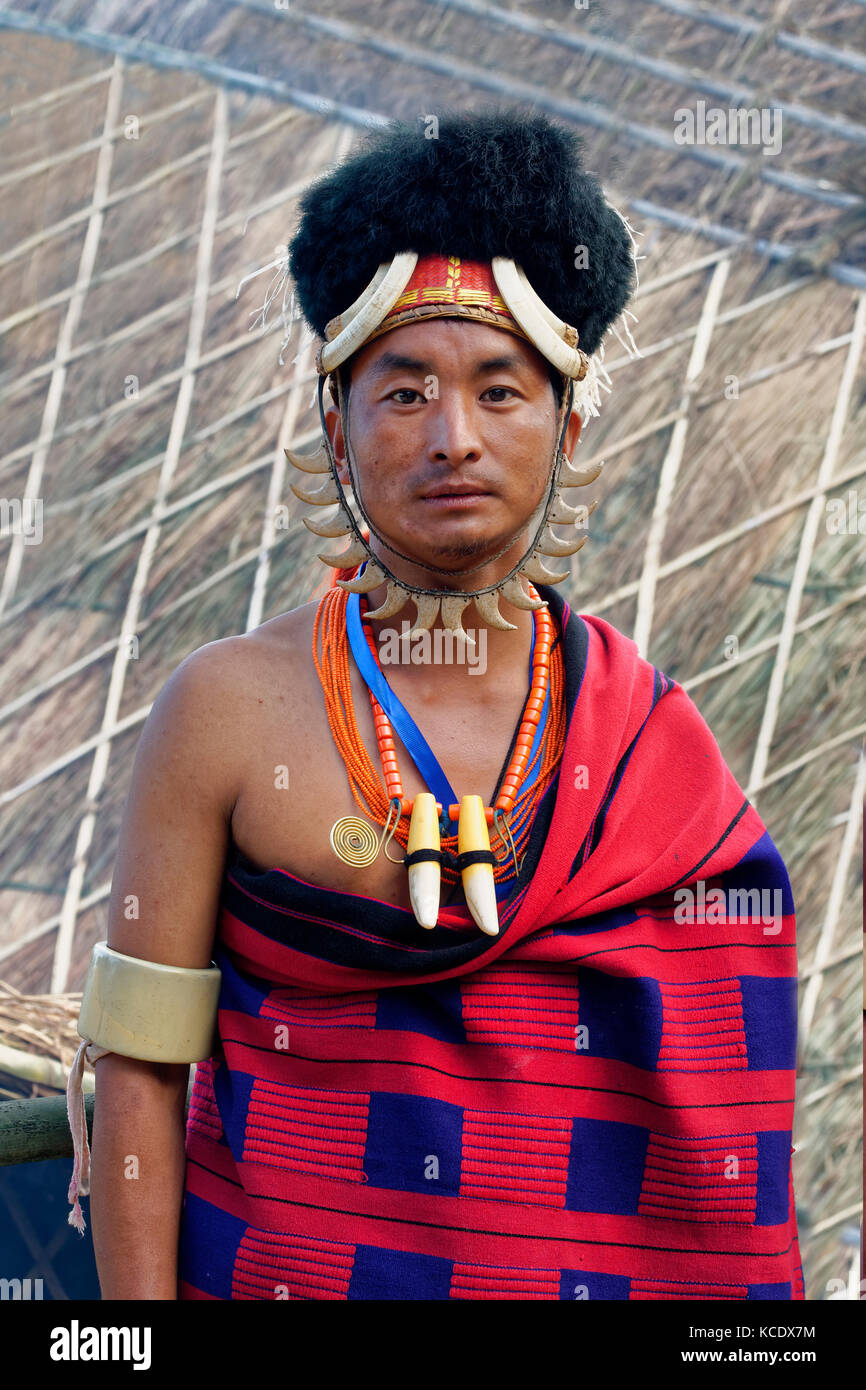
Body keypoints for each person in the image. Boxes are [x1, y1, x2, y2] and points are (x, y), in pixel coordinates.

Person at [66, 109, 804, 1300]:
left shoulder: (649, 744)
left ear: (564, 424)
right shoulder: (225, 711)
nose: (451, 438)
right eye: (402, 392)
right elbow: (139, 1069)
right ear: (334, 425)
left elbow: (725, 1114)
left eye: (498, 391)